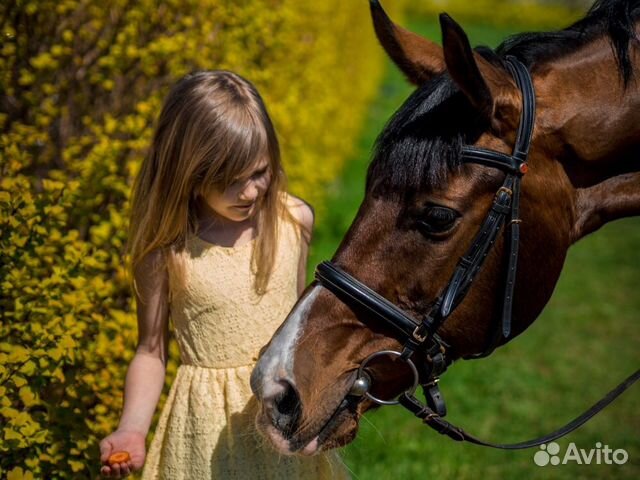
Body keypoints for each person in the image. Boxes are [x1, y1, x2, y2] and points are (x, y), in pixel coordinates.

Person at [99, 71, 347, 479]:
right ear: (189, 174)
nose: (251, 192)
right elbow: (151, 350)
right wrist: (132, 428)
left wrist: (317, 403)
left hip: (280, 421)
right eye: (232, 182)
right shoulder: (167, 250)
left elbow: (300, 332)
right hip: (204, 432)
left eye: (260, 172)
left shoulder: (293, 220)